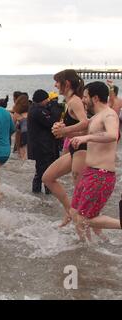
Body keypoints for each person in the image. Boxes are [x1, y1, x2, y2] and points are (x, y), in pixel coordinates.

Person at [68, 82, 122, 241]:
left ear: (95, 98)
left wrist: (87, 137)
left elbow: (113, 135)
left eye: (85, 97)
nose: (83, 100)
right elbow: (83, 132)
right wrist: (63, 131)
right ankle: (87, 246)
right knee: (74, 213)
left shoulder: (109, 115)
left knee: (84, 218)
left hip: (101, 175)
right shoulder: (96, 118)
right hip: (90, 172)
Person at [42, 69, 88, 227]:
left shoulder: (75, 100)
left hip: (83, 149)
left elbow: (85, 123)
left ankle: (87, 236)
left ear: (66, 83)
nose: (55, 85)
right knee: (47, 177)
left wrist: (64, 131)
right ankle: (69, 210)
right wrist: (61, 126)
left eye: (57, 81)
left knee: (79, 194)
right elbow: (77, 125)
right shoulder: (69, 102)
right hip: (76, 148)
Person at [27, 90, 59, 194]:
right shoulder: (38, 111)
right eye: (47, 100)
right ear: (42, 100)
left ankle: (38, 194)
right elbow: (52, 121)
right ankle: (44, 194)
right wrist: (54, 106)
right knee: (44, 172)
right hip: (42, 147)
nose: (48, 102)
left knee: (41, 172)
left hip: (40, 146)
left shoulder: (35, 109)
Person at [12, 94, 29, 160]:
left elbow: (12, 127)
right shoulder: (30, 112)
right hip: (31, 135)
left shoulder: (16, 114)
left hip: (23, 135)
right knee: (28, 155)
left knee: (22, 156)